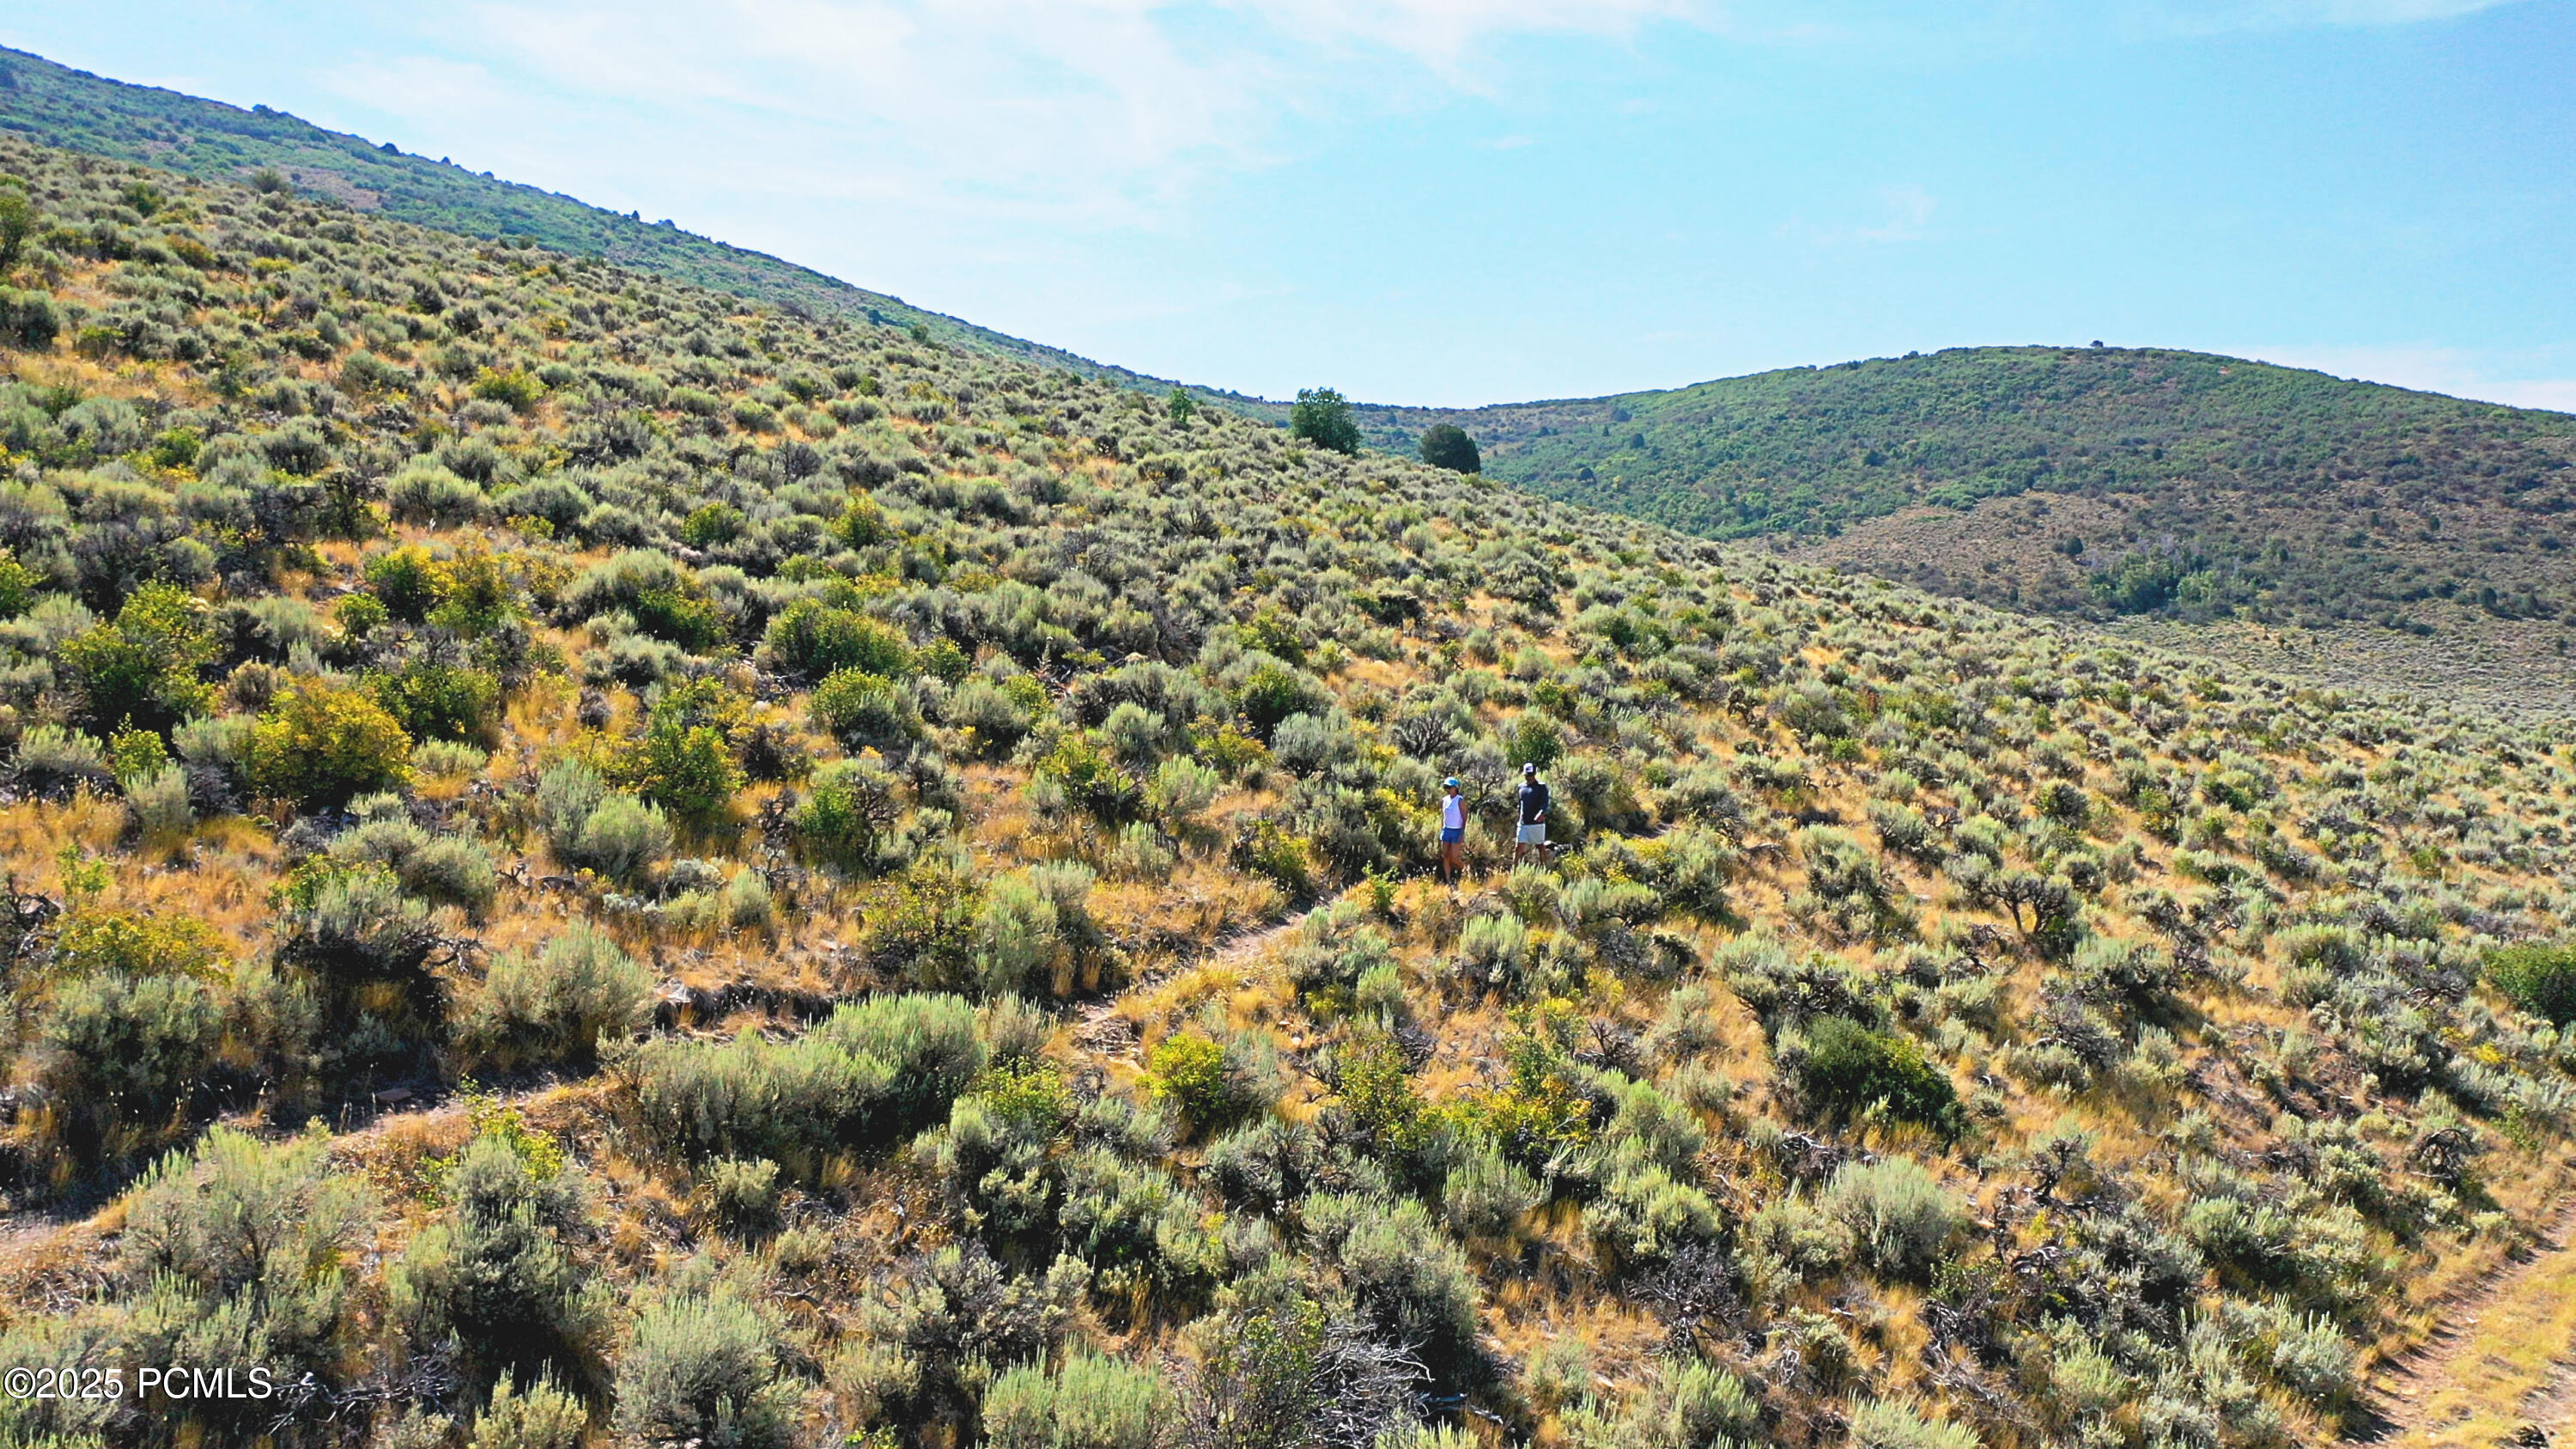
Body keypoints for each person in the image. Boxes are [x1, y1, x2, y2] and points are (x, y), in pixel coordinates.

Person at [1514, 762, 1551, 867]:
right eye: (1527, 775)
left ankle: (1545, 869)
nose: (1529, 777)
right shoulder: (1521, 787)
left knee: (1540, 846)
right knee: (1518, 847)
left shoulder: (1541, 787)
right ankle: (1514, 871)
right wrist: (1518, 816)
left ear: (1535, 774)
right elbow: (1520, 804)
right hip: (1523, 823)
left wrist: (1541, 813)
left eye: (1531, 775)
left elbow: (1545, 803)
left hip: (1537, 824)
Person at [1438, 776, 1467, 885]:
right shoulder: (1445, 800)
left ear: (1455, 788)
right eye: (1446, 787)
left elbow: (1464, 817)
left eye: (1449, 787)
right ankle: (1448, 879)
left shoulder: (1460, 800)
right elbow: (1443, 816)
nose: (1448, 789)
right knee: (1445, 855)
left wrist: (1462, 833)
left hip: (1456, 831)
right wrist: (1442, 829)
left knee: (1454, 858)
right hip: (1447, 830)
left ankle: (1464, 869)